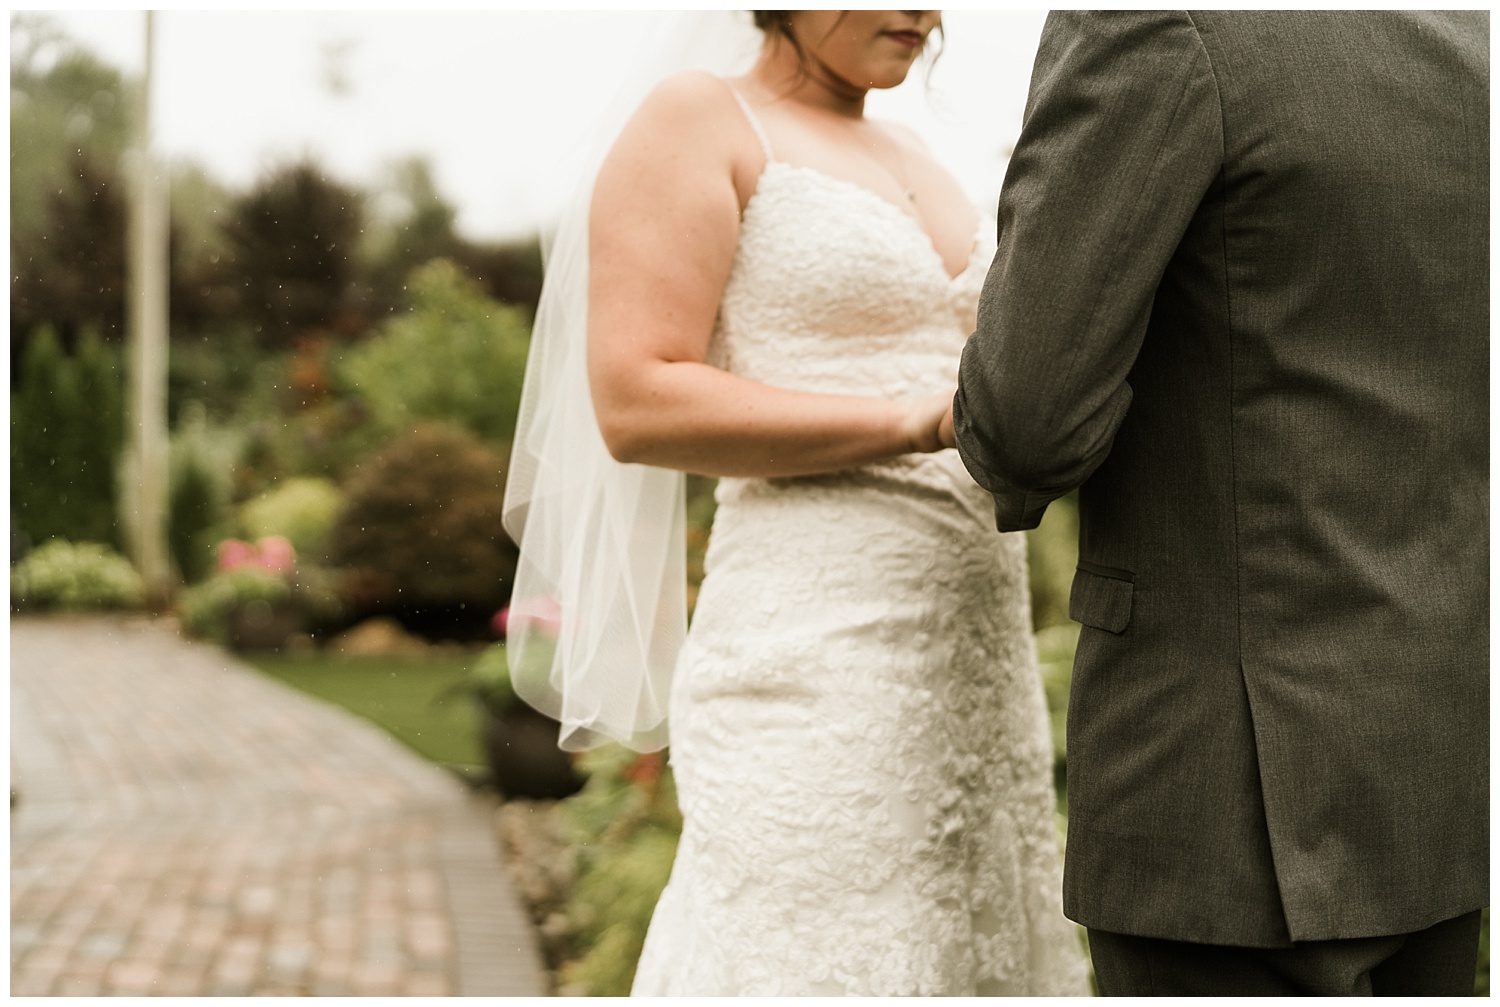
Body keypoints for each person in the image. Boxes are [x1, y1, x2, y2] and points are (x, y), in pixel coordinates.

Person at [503, 10, 1090, 997]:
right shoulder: (702, 118)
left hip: (978, 664)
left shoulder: (915, 150)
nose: (921, 12)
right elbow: (638, 398)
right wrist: (912, 422)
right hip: (815, 653)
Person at [951, 10, 1488, 996]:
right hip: (1444, 772)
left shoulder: (1156, 23)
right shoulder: (1465, 40)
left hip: (1233, 797)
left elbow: (1026, 420)